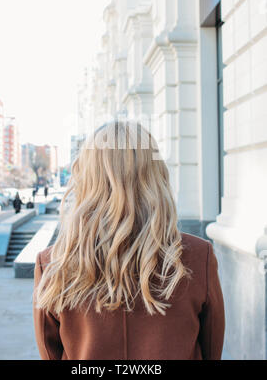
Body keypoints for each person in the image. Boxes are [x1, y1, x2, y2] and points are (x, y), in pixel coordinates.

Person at [33, 121, 225, 360]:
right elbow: (211, 351)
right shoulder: (198, 256)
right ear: (157, 176)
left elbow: (51, 353)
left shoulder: (53, 263)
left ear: (86, 178)